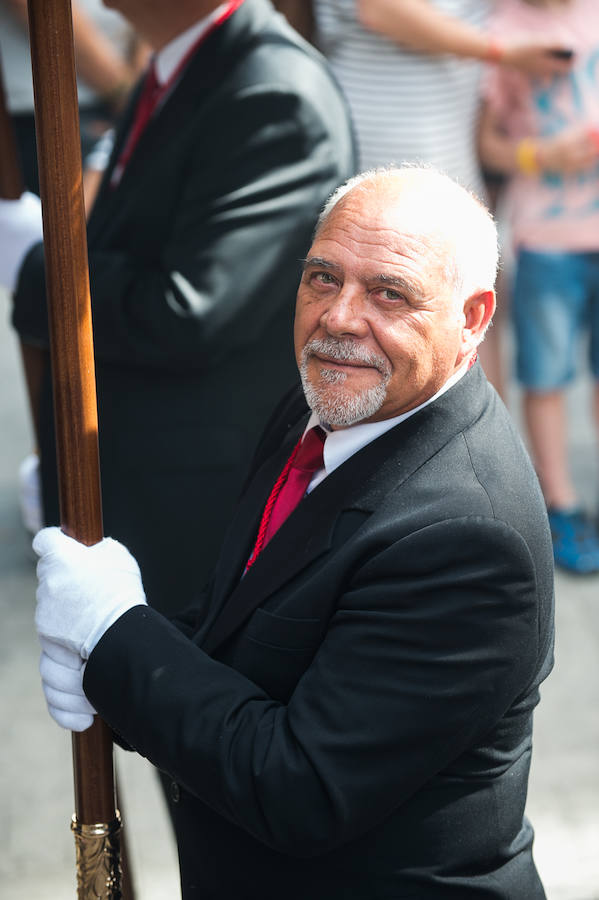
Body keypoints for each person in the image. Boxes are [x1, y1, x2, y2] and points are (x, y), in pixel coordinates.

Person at [33, 166, 555, 899]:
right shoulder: (332, 402)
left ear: (471, 318)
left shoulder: (464, 538)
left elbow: (299, 789)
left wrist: (116, 637)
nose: (338, 318)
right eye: (322, 277)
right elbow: (240, 631)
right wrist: (116, 670)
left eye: (389, 292)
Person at [2, 0, 356, 616]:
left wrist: (39, 267)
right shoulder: (190, 65)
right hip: (149, 473)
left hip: (191, 502)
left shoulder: (270, 91)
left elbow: (188, 309)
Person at [312, 0, 575, 398]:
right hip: (363, 186)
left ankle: (480, 457)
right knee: (361, 340)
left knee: (471, 335)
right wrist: (504, 53)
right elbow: (378, 9)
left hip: (456, 175)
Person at [478, 0, 599, 574]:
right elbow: (488, 144)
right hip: (545, 236)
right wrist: (540, 154)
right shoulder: (501, 32)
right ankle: (560, 504)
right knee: (546, 376)